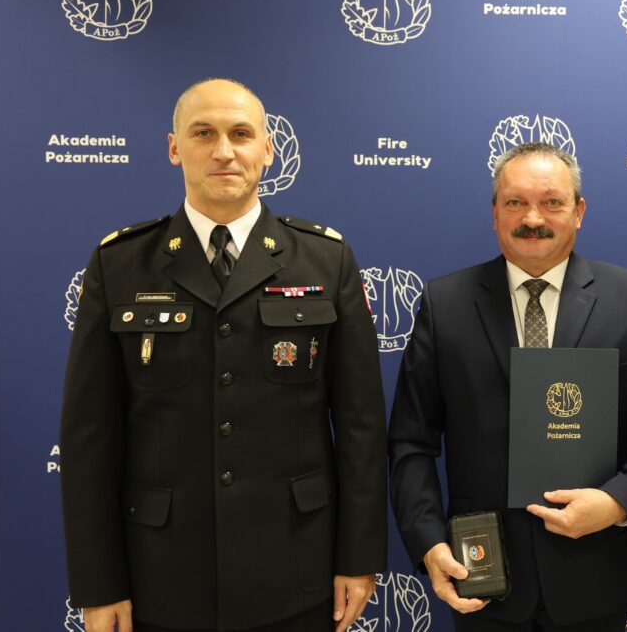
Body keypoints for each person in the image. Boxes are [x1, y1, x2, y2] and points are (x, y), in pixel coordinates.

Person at [60, 78, 387, 632]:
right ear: (174, 148)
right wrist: (99, 583)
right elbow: (89, 438)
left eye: (240, 134)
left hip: (296, 571)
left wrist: (358, 557)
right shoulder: (120, 264)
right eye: (203, 134)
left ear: (268, 148)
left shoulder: (325, 260)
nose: (223, 151)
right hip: (160, 576)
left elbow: (361, 426)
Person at [388, 142, 627, 631]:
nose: (533, 218)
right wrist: (429, 542)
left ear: (579, 212)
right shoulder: (444, 304)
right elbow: (410, 440)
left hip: (592, 573)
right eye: (516, 202)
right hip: (481, 573)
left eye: (552, 202)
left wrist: (619, 501)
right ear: (495, 213)